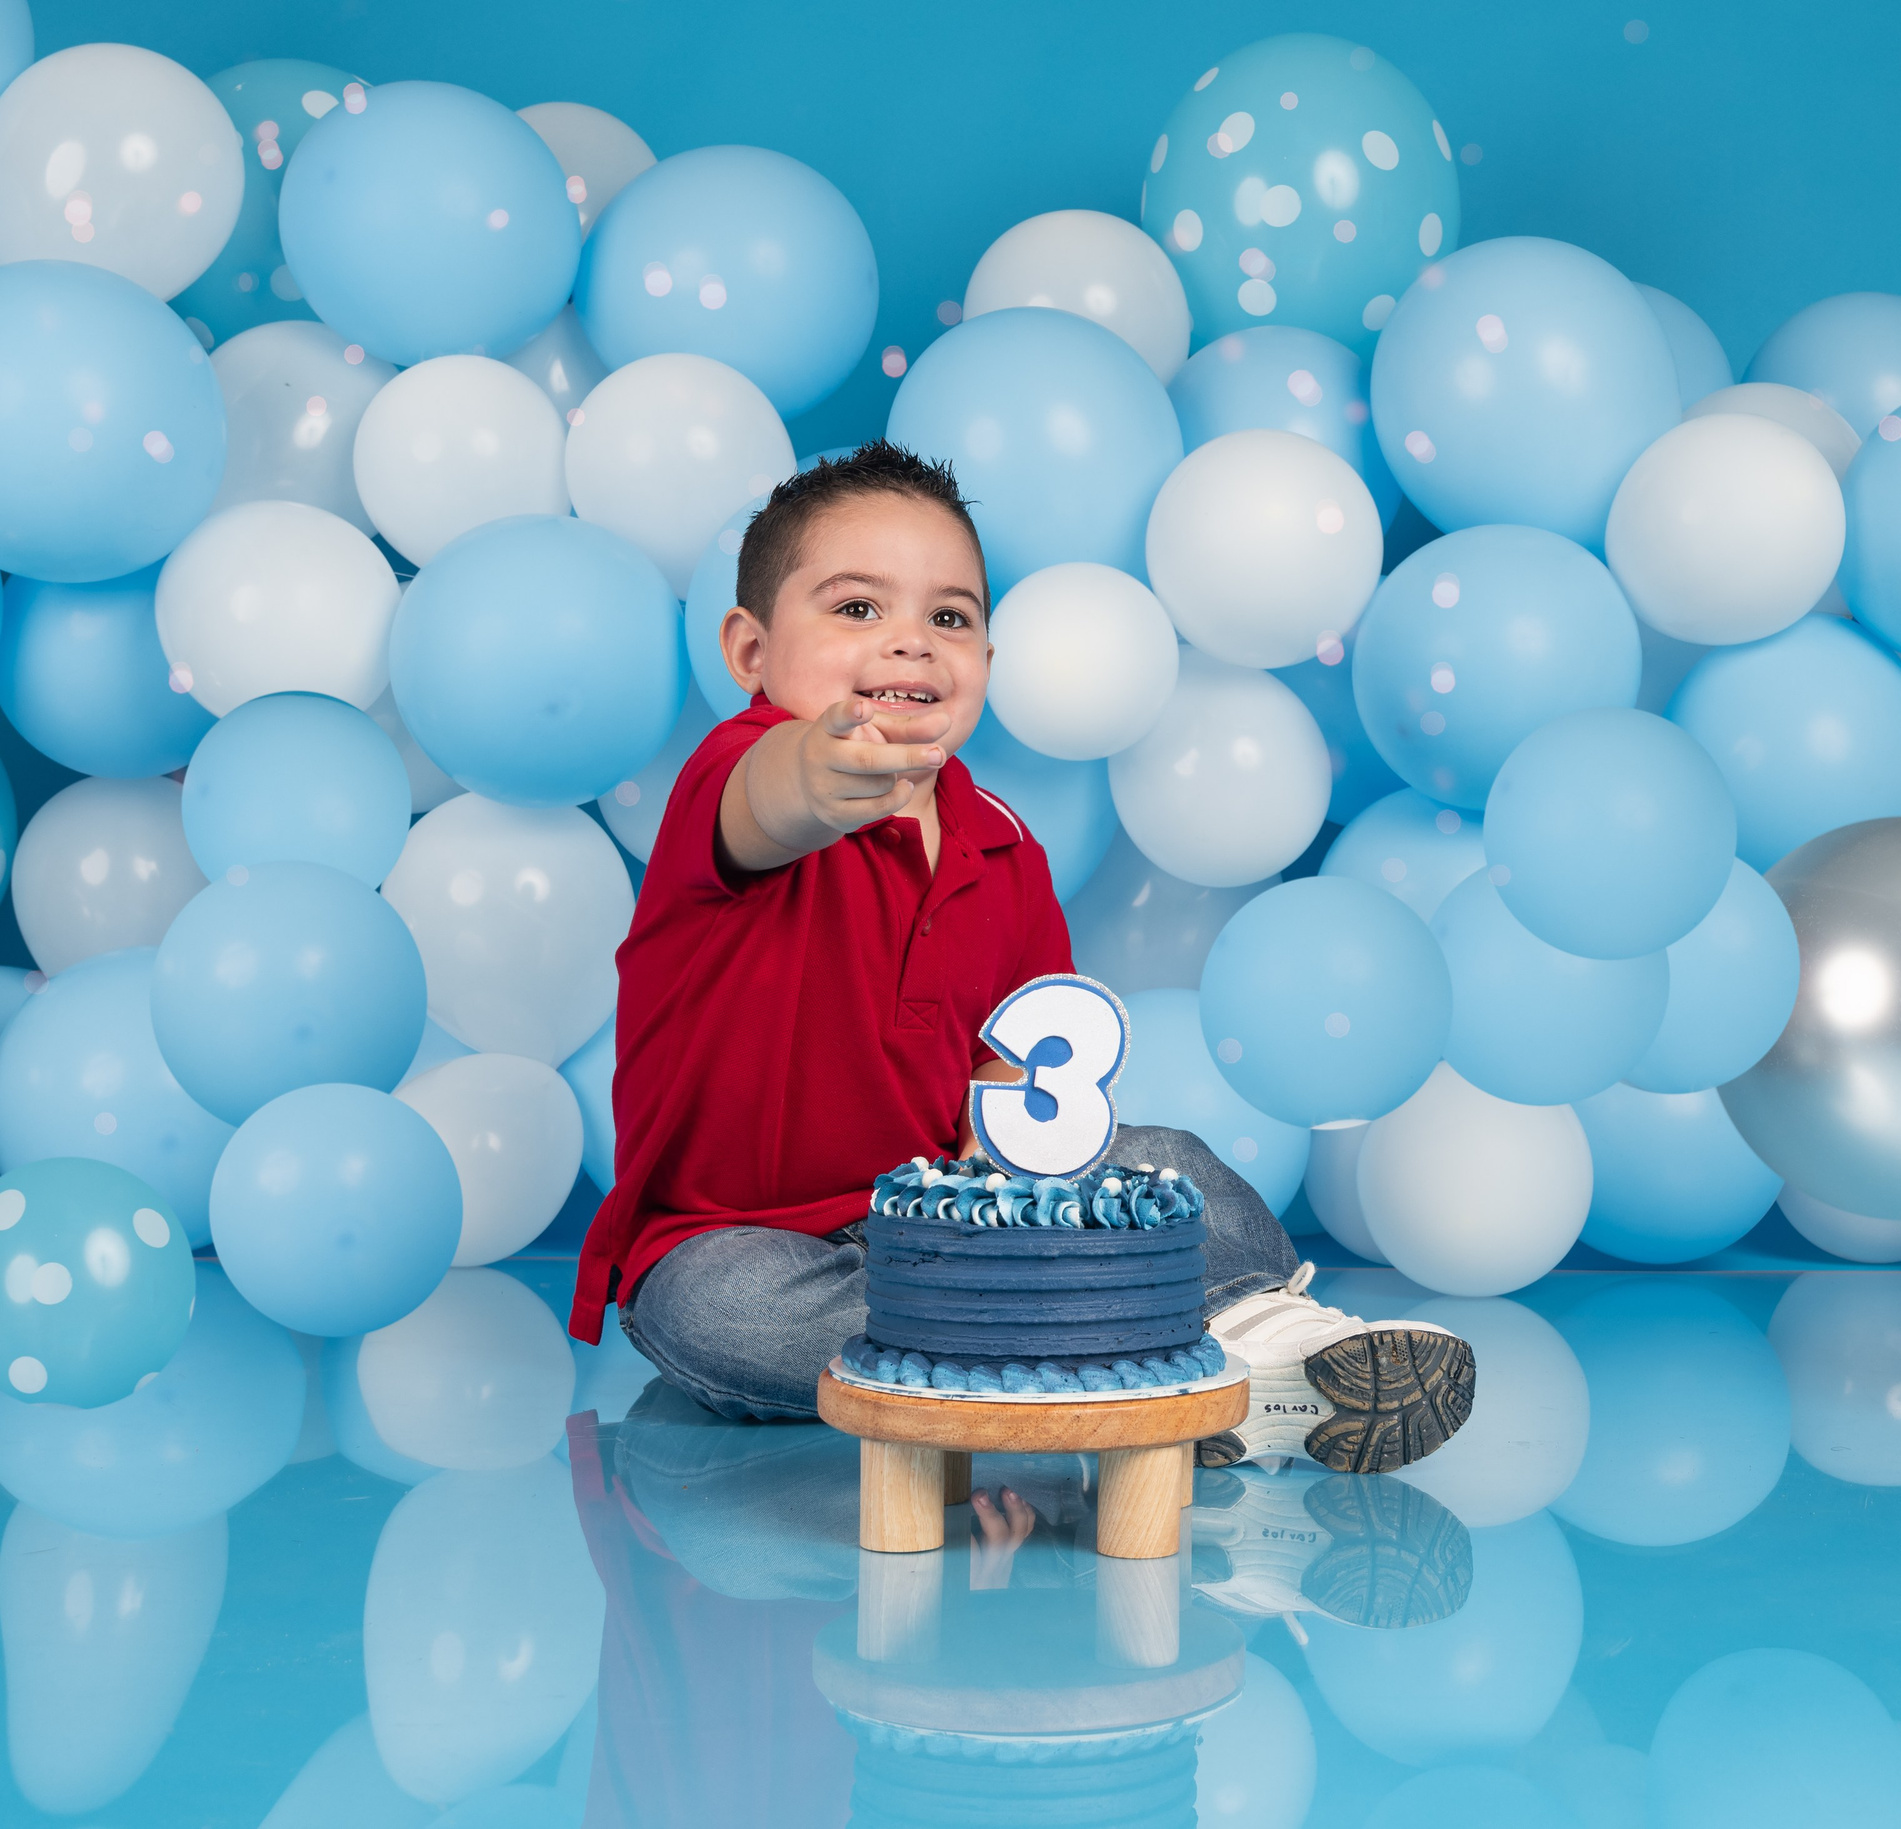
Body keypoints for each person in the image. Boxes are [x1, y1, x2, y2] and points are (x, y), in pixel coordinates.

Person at [568, 442, 1473, 1473]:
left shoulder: (1004, 848)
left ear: (987, 665)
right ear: (750, 651)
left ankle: (1266, 1335)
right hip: (740, 1237)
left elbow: (1018, 1073)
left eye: (950, 619)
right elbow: (767, 801)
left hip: (957, 1223)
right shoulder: (733, 774)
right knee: (721, 1309)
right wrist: (812, 775)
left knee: (1166, 1158)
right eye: (857, 608)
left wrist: (1014, 1170)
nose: (911, 642)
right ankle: (1130, 1351)